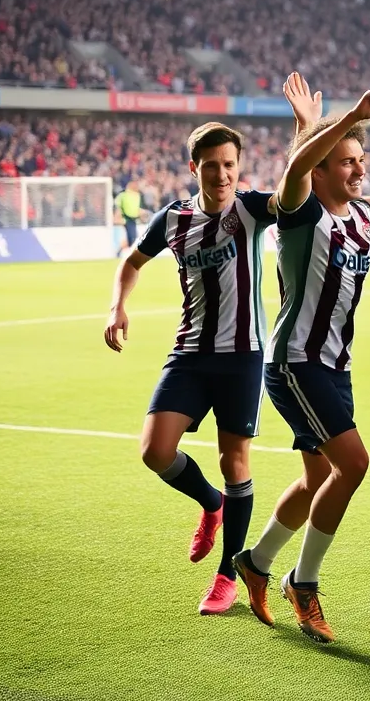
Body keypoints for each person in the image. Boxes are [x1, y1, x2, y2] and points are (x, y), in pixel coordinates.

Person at [232, 76, 370, 644]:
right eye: (347, 161)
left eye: (362, 160)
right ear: (321, 171)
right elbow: (296, 169)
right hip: (296, 363)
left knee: (316, 479)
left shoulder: (363, 221)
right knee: (353, 466)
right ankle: (302, 583)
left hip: (335, 366)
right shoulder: (302, 215)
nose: (359, 170)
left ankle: (255, 562)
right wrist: (345, 117)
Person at [103, 122, 275, 615]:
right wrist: (117, 306)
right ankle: (211, 502)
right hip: (191, 352)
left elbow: (298, 187)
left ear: (239, 167)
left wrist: (307, 129)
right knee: (155, 451)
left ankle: (228, 575)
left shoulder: (252, 209)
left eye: (230, 165)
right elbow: (131, 262)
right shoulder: (174, 218)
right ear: (193, 167)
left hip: (242, 355)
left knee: (234, 461)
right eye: (212, 166)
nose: (222, 175)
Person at [116, 179, 142, 250]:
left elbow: (136, 208)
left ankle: (120, 251)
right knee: (133, 238)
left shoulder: (136, 195)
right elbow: (118, 207)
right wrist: (118, 216)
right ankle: (123, 251)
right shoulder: (123, 195)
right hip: (127, 218)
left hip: (133, 219)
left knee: (132, 238)